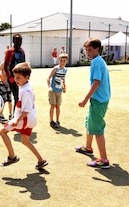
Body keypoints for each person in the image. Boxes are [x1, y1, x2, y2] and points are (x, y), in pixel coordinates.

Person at [0, 62, 48, 170]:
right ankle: (41, 160)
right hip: (31, 120)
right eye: (15, 77)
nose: (16, 80)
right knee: (25, 141)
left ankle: (12, 156)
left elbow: (26, 110)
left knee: (2, 132)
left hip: (24, 120)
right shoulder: (25, 85)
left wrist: (16, 121)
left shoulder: (26, 91)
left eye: (18, 77)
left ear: (27, 77)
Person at [75, 38, 111, 169]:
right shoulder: (99, 61)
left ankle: (104, 160)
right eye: (86, 50)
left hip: (98, 100)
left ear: (97, 49)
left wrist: (85, 99)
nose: (87, 52)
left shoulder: (96, 62)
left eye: (90, 50)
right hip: (101, 99)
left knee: (97, 129)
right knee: (89, 122)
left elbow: (97, 82)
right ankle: (88, 147)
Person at [4, 34, 25, 114]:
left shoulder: (22, 51)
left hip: (22, 78)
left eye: (20, 41)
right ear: (13, 41)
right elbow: (6, 66)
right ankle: (15, 115)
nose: (19, 42)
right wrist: (10, 77)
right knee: (17, 97)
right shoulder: (10, 52)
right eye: (17, 41)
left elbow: (24, 64)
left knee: (21, 97)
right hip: (13, 78)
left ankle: (19, 114)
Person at [47, 53, 68, 128]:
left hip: (59, 90)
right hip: (53, 90)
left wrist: (64, 86)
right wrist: (49, 87)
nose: (62, 62)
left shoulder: (65, 70)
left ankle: (57, 120)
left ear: (66, 61)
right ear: (59, 60)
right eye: (61, 60)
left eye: (64, 61)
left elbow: (63, 79)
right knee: (53, 105)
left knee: (58, 106)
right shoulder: (56, 68)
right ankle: (51, 121)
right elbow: (49, 78)